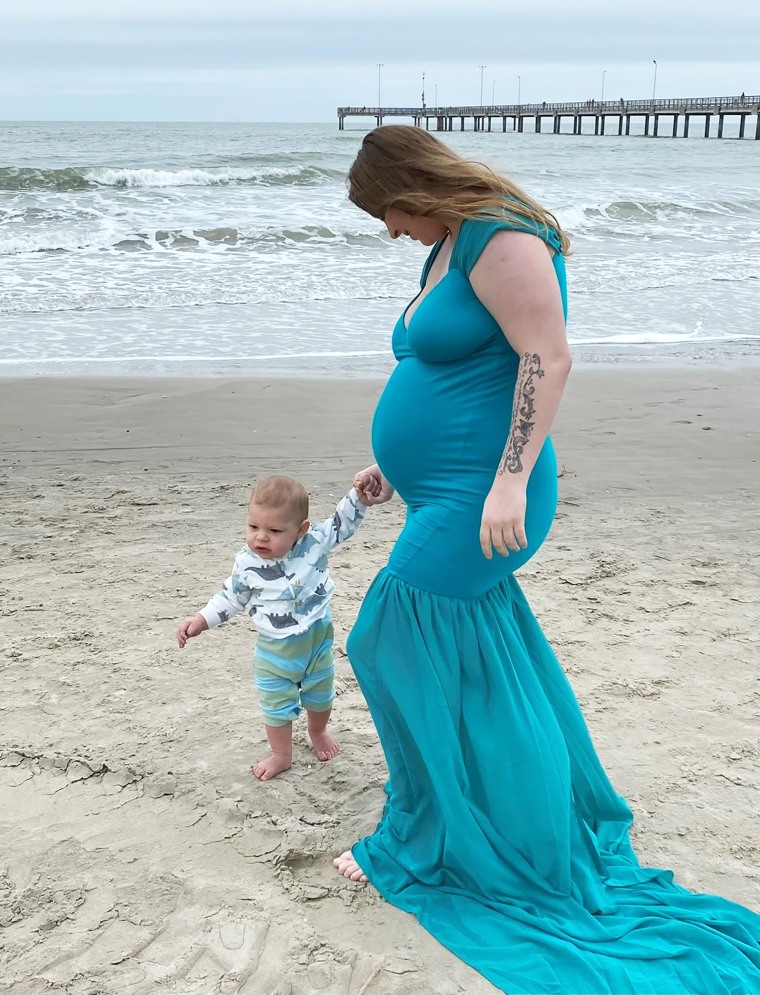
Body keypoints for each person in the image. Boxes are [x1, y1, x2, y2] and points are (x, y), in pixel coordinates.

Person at [332, 124, 760, 993]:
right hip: (446, 486)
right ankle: (483, 813)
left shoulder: (502, 233)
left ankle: (469, 834)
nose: (388, 230)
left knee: (387, 637)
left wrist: (509, 480)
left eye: (387, 211)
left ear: (414, 184)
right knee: (476, 660)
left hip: (489, 494)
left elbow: (546, 355)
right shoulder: (451, 242)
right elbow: (463, 373)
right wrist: (394, 460)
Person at [177, 475, 373, 781]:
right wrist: (201, 620)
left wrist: (359, 496)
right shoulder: (246, 563)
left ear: (301, 529)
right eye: (253, 527)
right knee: (275, 706)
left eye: (274, 530)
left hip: (317, 640)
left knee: (321, 697)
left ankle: (317, 731)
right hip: (274, 652)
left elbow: (341, 523)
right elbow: (231, 596)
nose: (261, 538)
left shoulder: (315, 542)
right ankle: (281, 754)